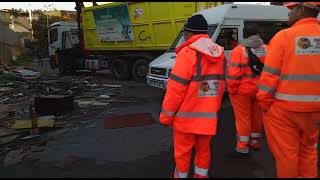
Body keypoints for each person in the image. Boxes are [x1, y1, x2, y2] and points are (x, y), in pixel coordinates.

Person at [256, 2, 320, 178]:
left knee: (287, 156)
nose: (288, 14)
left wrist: (264, 103)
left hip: (284, 111)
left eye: (291, 10)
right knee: (309, 152)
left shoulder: (284, 36)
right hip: (316, 112)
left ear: (300, 10)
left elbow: (269, 77)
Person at [159, 14, 225, 178]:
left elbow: (175, 90)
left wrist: (166, 117)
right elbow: (222, 86)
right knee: (204, 151)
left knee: (182, 154)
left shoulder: (188, 53)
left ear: (189, 33)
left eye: (185, 33)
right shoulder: (219, 53)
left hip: (185, 119)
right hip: (208, 118)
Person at [226, 24, 267, 156]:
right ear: (258, 34)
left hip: (242, 91)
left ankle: (242, 146)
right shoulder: (268, 49)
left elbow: (233, 74)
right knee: (257, 116)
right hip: (261, 89)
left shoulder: (238, 51)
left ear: (244, 35)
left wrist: (231, 89)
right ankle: (255, 142)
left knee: (243, 118)